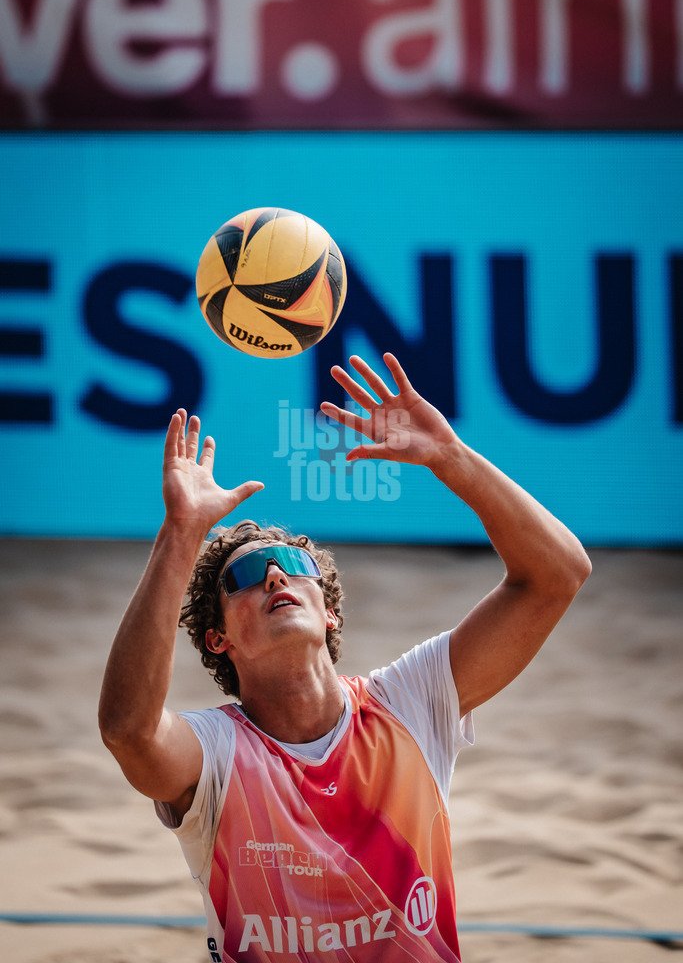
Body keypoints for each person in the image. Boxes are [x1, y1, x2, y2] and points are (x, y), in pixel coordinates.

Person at [99, 352, 591, 962]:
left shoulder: (408, 702)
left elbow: (559, 575)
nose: (275, 573)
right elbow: (128, 729)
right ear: (217, 638)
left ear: (329, 611)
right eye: (248, 573)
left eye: (295, 565)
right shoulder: (217, 753)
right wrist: (181, 534)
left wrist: (450, 457)